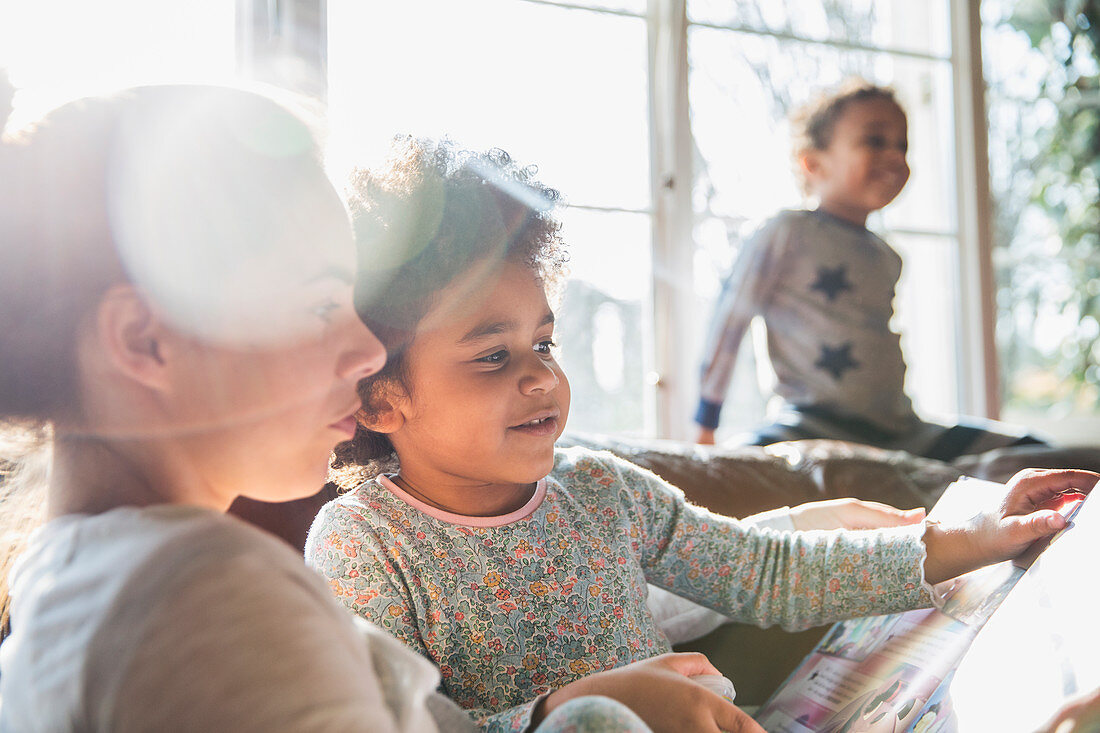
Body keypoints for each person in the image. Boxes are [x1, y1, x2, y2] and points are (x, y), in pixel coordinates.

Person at [305, 136, 1097, 733]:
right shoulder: (362, 542)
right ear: (378, 399)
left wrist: (971, 535)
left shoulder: (599, 487)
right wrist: (572, 705)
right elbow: (398, 724)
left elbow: (766, 569)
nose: (540, 376)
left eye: (543, 343)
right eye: (491, 355)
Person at [0, 84, 652, 733]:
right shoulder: (206, 600)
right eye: (319, 306)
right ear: (144, 339)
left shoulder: (64, 582)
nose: (370, 351)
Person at [693, 80, 1044, 460]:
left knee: (1034, 452)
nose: (895, 156)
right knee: (736, 466)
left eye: (903, 145)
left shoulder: (885, 255)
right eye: (875, 141)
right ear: (813, 163)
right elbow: (729, 321)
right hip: (810, 424)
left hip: (902, 432)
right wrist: (705, 425)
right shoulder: (786, 232)